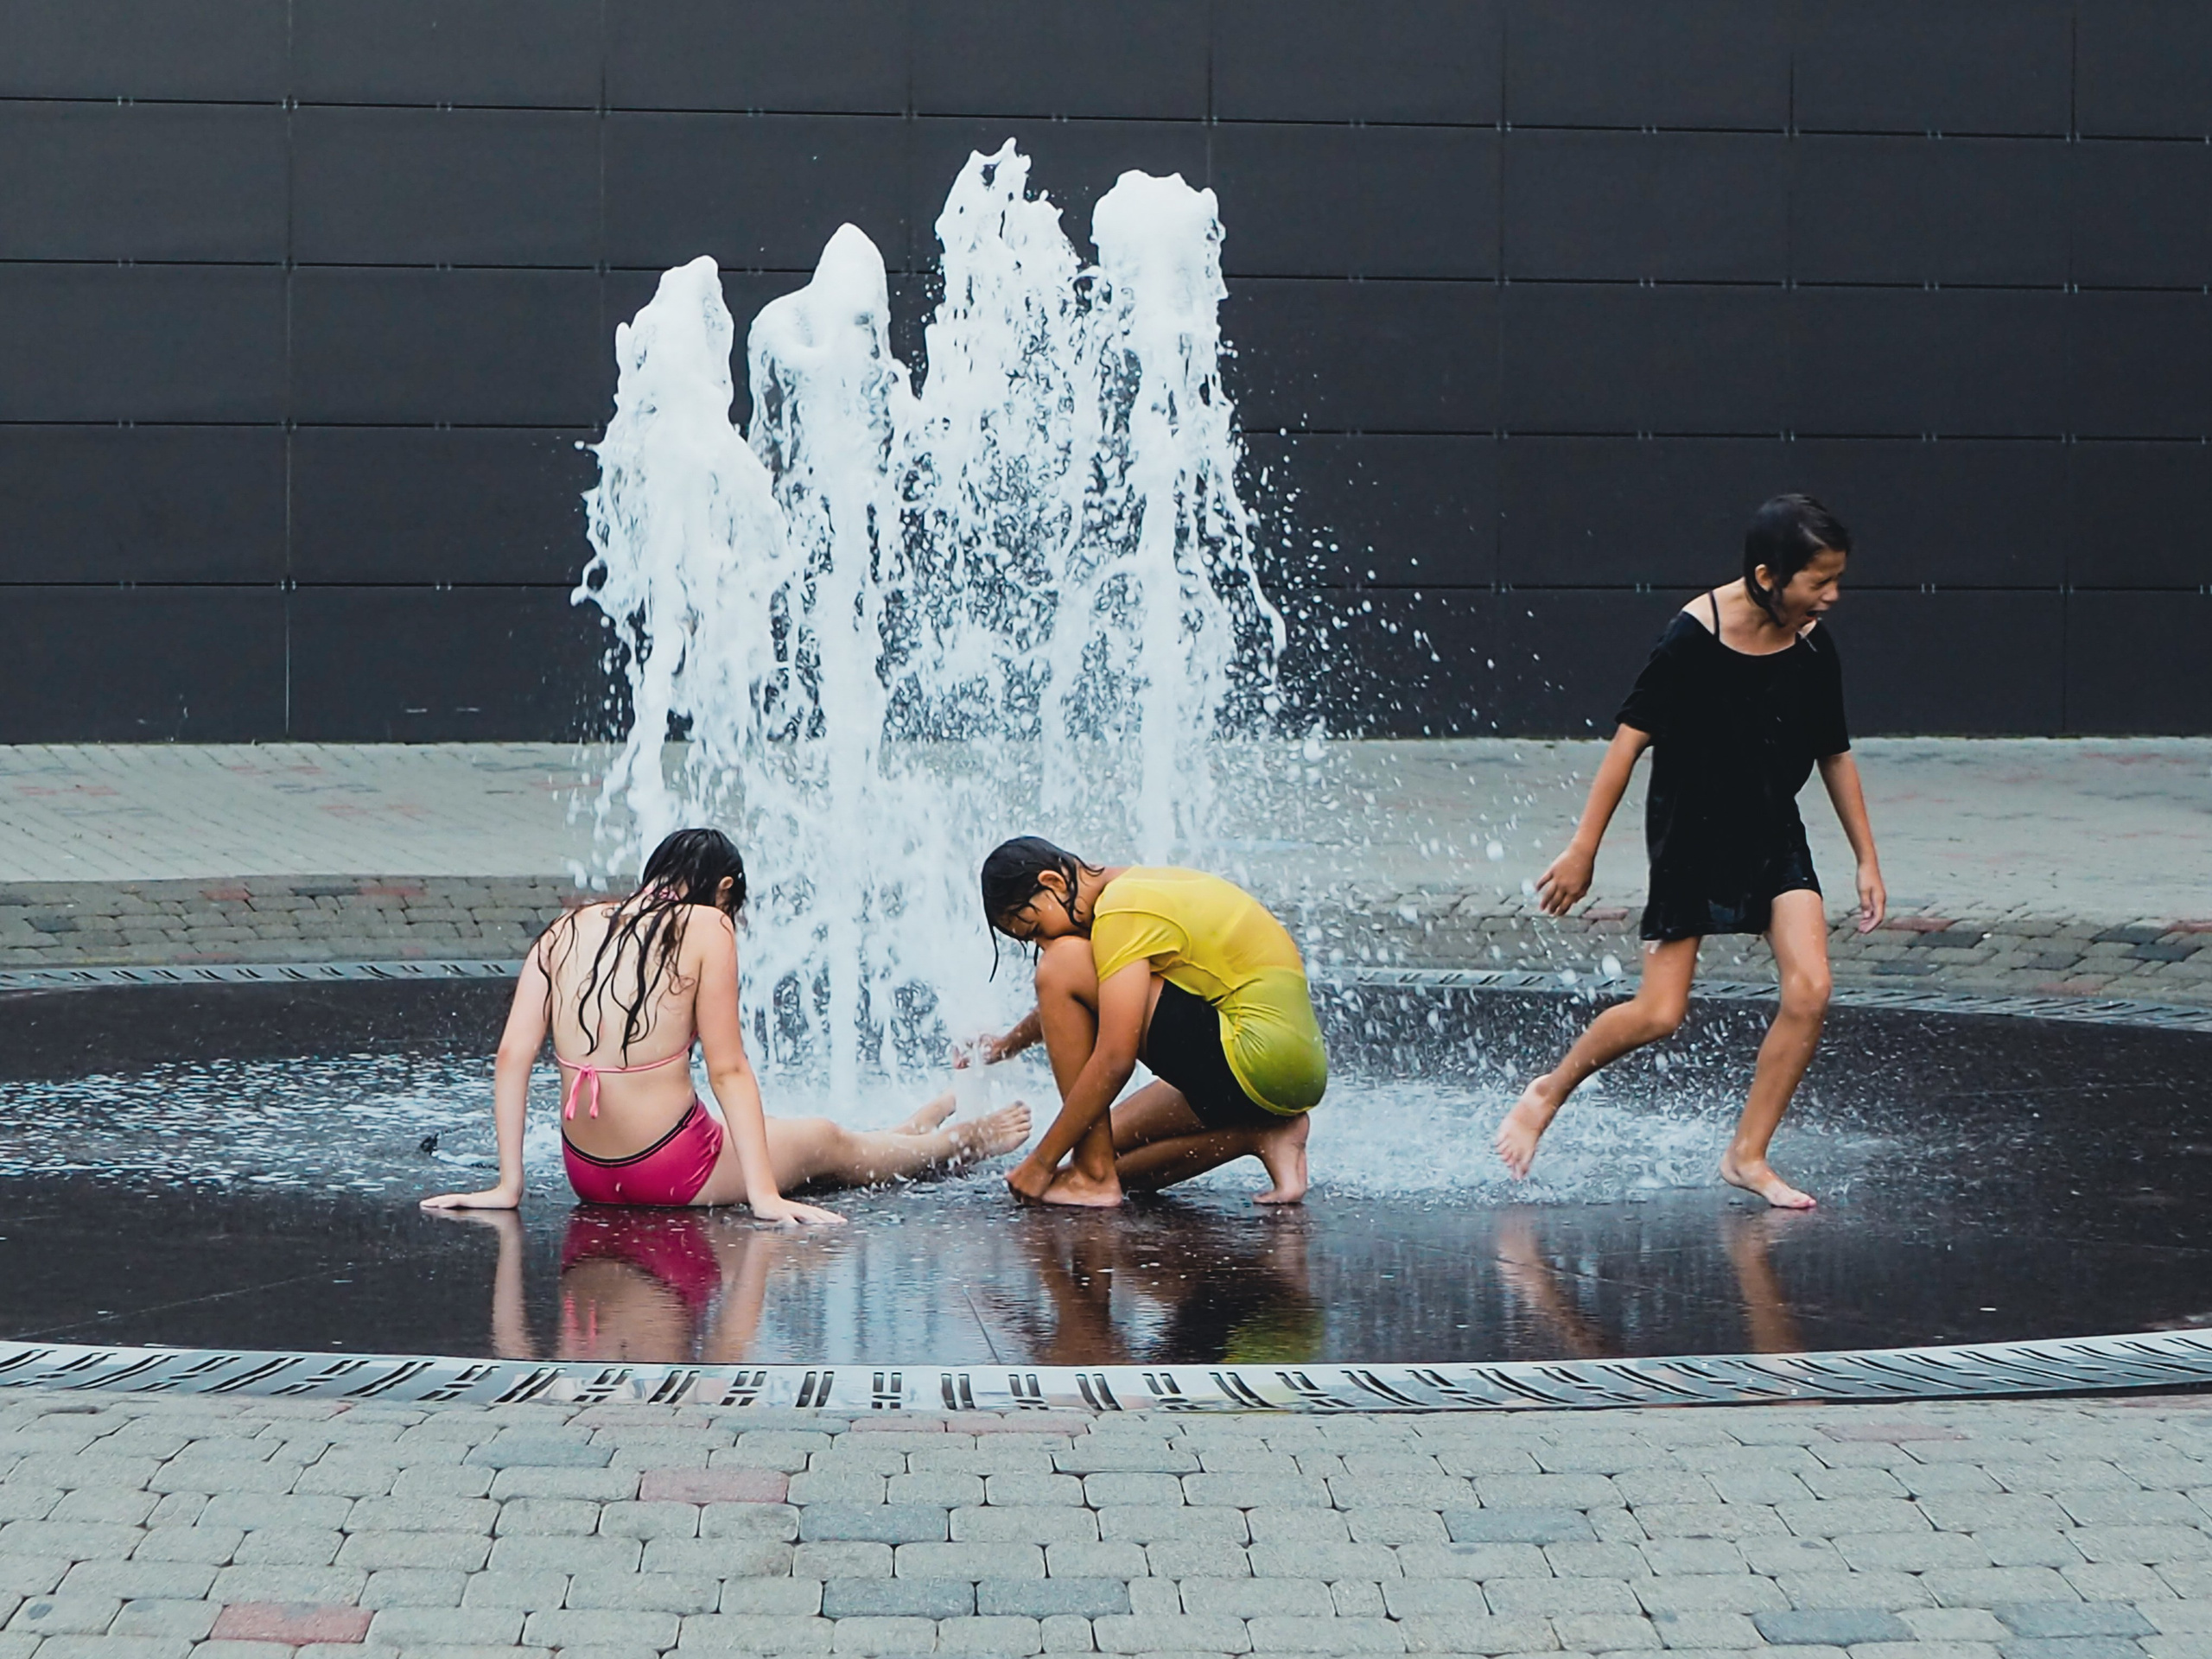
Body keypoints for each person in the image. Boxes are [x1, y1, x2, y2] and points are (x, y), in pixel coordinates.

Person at [1493, 494, 1887, 1208]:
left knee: (1811, 989)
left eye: (1837, 579)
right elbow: (1627, 745)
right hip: (1691, 835)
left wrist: (1866, 857)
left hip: (1773, 828)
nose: (1832, 596)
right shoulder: (1691, 639)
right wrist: (1583, 849)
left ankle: (1747, 1155)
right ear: (1767, 576)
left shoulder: (1810, 643)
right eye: (1819, 581)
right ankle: (1548, 1091)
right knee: (1659, 1013)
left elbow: (1834, 751)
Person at [421, 828, 1028, 1220]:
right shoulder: (707, 925)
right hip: (670, 1169)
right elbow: (729, 1069)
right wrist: (764, 1197)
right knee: (824, 1140)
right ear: (726, 889)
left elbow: (512, 1057)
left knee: (785, 1134)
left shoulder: (565, 928)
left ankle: (903, 1132)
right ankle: (955, 1143)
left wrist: (508, 1186)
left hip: (588, 1172)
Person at [967, 839, 1327, 1207]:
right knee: (1097, 1147)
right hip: (1289, 1069)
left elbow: (1114, 1058)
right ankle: (1261, 1135)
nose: (1044, 944)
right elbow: (1086, 992)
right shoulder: (1131, 890)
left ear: (1054, 883)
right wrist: (1007, 1045)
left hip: (1254, 1057)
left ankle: (1094, 1179)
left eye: (1036, 929)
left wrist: (1041, 1161)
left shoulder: (1121, 911)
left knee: (1061, 964)